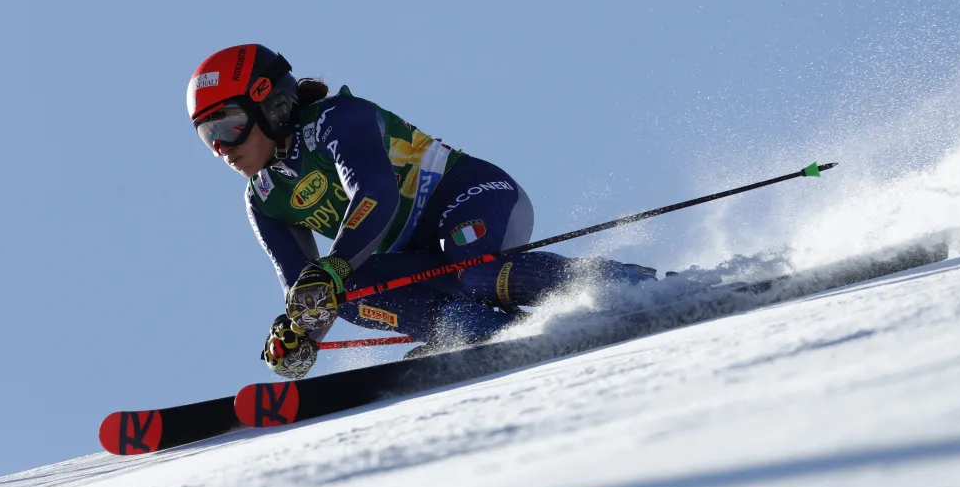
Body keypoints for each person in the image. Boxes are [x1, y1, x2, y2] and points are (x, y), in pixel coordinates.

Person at [187, 44, 657, 379]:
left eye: (229, 124)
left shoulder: (334, 119)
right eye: (209, 137)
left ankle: (625, 284)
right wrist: (298, 334)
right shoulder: (263, 197)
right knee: (342, 293)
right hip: (420, 253)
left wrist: (330, 268)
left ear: (272, 104)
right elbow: (305, 290)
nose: (224, 148)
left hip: (470, 196)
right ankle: (481, 331)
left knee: (474, 271)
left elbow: (376, 193)